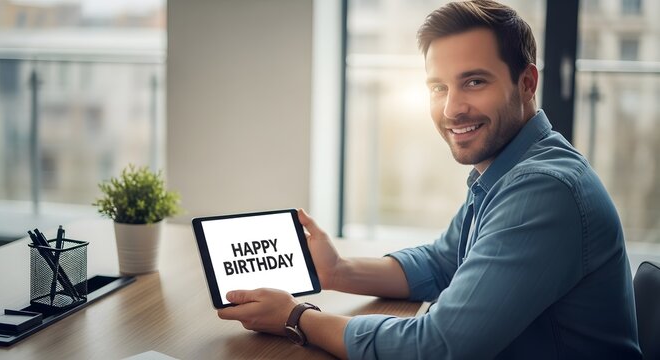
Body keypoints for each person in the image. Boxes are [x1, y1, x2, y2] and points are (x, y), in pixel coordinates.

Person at [217, 1, 642, 359]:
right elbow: (443, 261)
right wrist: (338, 270)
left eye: (474, 82)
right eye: (438, 88)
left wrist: (295, 318)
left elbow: (437, 348)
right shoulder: (510, 167)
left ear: (527, 82)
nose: (452, 109)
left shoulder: (544, 190)